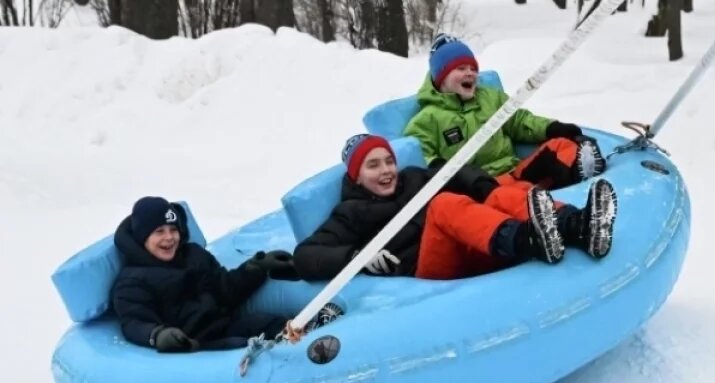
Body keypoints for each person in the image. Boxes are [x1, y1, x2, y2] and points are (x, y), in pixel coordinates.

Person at [293, 133, 617, 281]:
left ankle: (577, 225)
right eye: (373, 166)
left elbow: (455, 169)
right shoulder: (350, 212)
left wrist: (483, 186)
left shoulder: (413, 178)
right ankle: (529, 239)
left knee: (498, 193)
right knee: (444, 205)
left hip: (473, 247)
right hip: (427, 269)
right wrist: (356, 257)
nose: (387, 171)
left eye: (389, 161)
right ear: (356, 176)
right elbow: (306, 256)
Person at [110, 196, 341, 353]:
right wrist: (158, 335)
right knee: (246, 347)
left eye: (173, 230)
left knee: (268, 323)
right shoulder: (132, 281)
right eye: (159, 232)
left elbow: (223, 288)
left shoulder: (193, 254)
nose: (170, 238)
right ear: (143, 238)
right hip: (197, 344)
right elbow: (134, 322)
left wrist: (257, 268)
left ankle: (318, 330)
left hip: (226, 323)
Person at [402, 34, 606, 190]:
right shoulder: (427, 119)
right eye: (460, 68)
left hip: (515, 172)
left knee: (560, 145)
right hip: (482, 188)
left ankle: (579, 177)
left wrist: (551, 127)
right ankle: (549, 197)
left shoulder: (491, 98)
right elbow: (423, 158)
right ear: (441, 77)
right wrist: (448, 173)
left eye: (473, 68)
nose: (470, 73)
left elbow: (519, 121)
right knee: (508, 196)